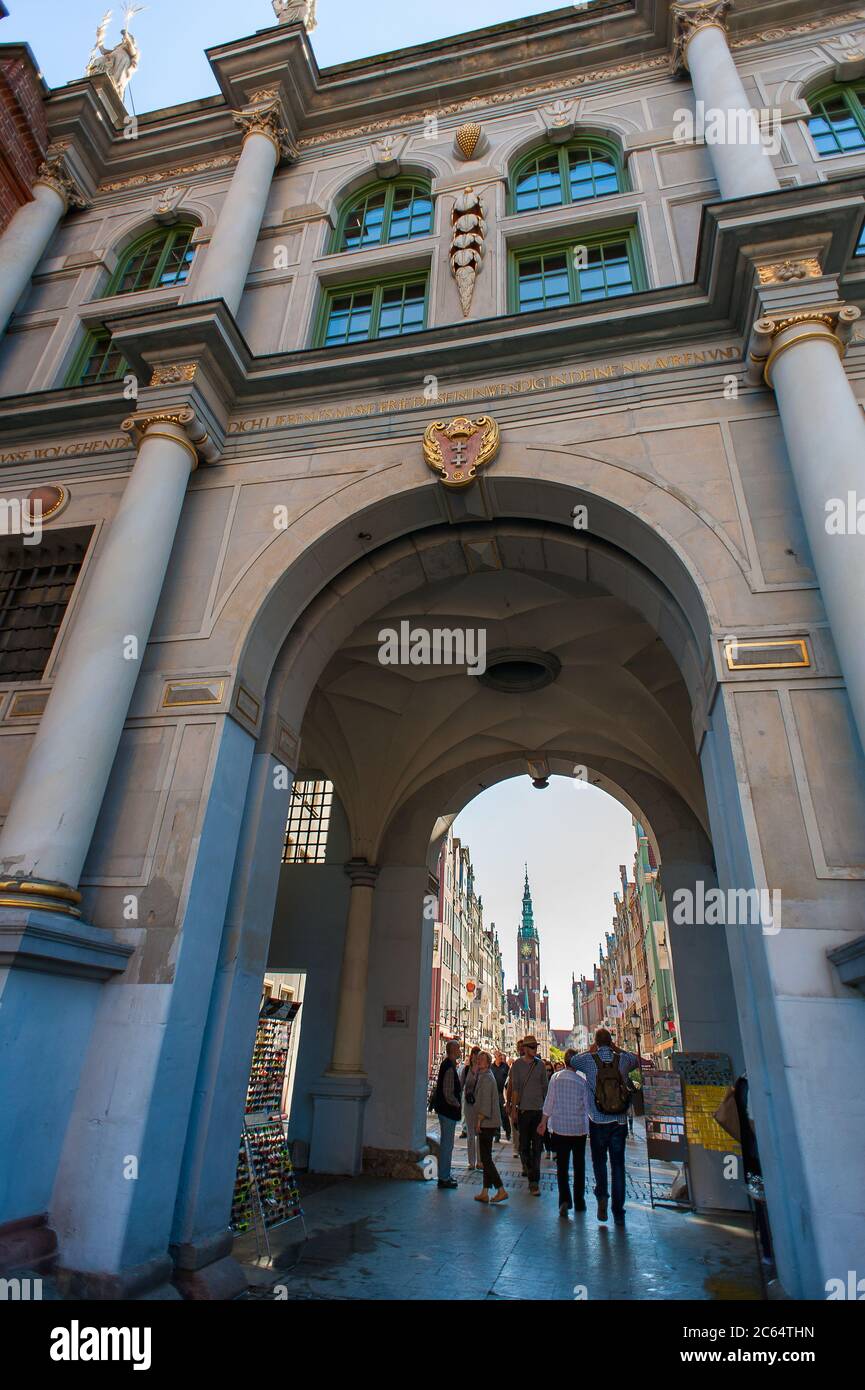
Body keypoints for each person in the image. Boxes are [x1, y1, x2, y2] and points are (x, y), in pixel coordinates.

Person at [569, 1028, 639, 1225]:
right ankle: (618, 1208)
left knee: (599, 1162)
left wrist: (592, 1050)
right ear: (611, 1041)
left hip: (598, 1120)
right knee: (618, 1165)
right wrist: (616, 1048)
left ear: (596, 1043)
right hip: (619, 1121)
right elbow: (635, 1059)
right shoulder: (622, 1060)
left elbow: (572, 1061)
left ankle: (602, 1196)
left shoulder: (589, 1060)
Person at [538, 1049, 589, 1216]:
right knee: (579, 1166)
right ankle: (580, 1201)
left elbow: (549, 1102)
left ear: (565, 1062)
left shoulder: (555, 1078)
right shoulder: (582, 1081)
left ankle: (565, 1200)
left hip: (560, 1129)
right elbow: (587, 1107)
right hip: (578, 1129)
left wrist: (543, 1122)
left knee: (562, 1166)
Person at [506, 1034, 548, 1194]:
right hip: (523, 1111)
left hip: (538, 1111)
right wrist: (514, 1109)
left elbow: (545, 1088)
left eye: (535, 1047)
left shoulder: (541, 1066)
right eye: (531, 1047)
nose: (534, 1050)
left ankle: (534, 1181)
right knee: (524, 1147)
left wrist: (547, 1113)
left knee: (537, 1147)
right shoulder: (516, 1065)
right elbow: (515, 1088)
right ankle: (530, 1171)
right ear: (524, 1049)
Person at [473, 1052, 508, 1205]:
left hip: (486, 1122)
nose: (479, 1061)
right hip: (488, 1121)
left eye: (482, 1059)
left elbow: (486, 1102)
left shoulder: (487, 1078)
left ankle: (501, 1189)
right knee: (486, 1157)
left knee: (485, 1159)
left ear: (488, 1063)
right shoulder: (484, 1075)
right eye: (478, 1059)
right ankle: (485, 1192)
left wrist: (480, 1119)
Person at [431, 1041, 462, 1189]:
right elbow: (448, 1092)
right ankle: (444, 1177)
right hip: (448, 1112)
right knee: (447, 1145)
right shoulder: (449, 1067)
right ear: (453, 1050)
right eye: (458, 1048)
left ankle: (445, 1175)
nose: (461, 1050)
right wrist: (457, 1103)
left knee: (447, 1145)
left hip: (445, 1111)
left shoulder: (447, 1065)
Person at [461, 1047, 482, 1169]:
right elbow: (461, 1085)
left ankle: (479, 1161)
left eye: (478, 1055)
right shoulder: (466, 1069)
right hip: (469, 1104)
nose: (476, 1057)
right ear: (472, 1055)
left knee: (479, 1132)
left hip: (479, 1105)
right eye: (475, 1054)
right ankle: (471, 1162)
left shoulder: (482, 1070)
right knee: (470, 1134)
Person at [491, 1050, 511, 1139]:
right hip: (494, 1094)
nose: (501, 1057)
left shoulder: (505, 1067)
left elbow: (509, 1079)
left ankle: (508, 1131)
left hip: (503, 1094)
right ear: (495, 1057)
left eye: (501, 1056)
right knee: (496, 1114)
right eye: (499, 1056)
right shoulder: (491, 1067)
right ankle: (497, 1135)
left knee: (504, 1114)